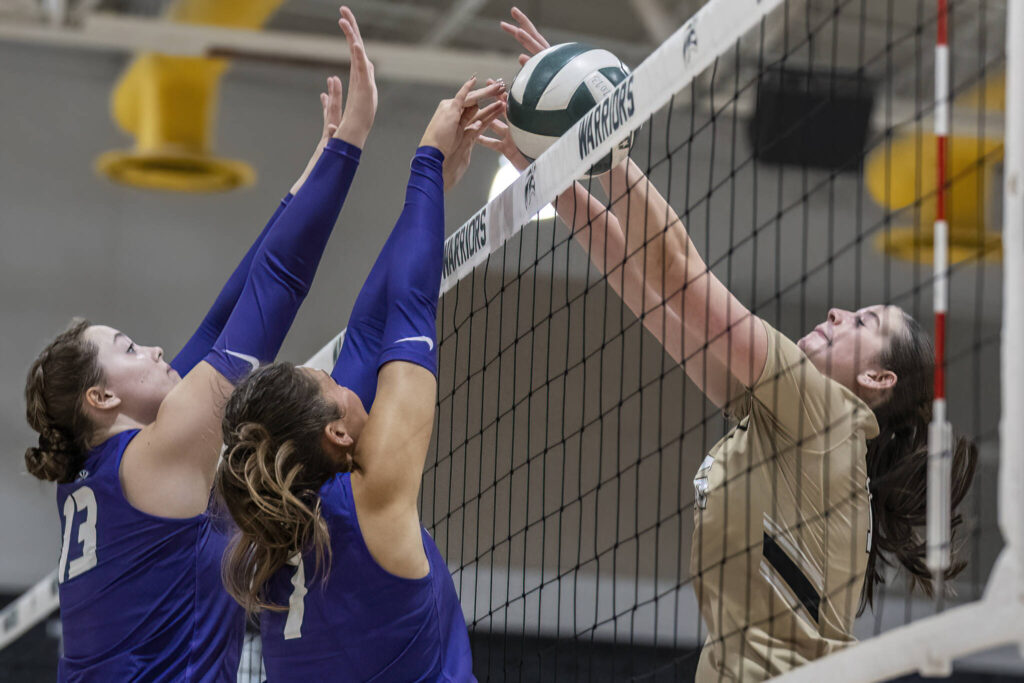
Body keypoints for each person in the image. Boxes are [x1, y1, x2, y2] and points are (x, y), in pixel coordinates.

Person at [480, 8, 977, 681]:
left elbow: (679, 276)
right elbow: (646, 289)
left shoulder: (825, 413)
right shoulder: (782, 418)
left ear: (879, 382)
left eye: (861, 322)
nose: (837, 311)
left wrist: (610, 140)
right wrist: (565, 159)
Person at [22, 8, 376, 680]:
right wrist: (355, 137)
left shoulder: (98, 473)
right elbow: (275, 286)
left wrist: (316, 168)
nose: (156, 350)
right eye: (129, 349)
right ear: (102, 396)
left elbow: (224, 310)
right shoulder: (160, 451)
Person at [215, 77, 503, 682]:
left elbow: (369, 329)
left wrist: (430, 193)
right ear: (338, 433)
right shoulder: (372, 498)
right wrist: (424, 160)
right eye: (329, 379)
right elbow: (408, 312)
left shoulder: (275, 535)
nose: (343, 376)